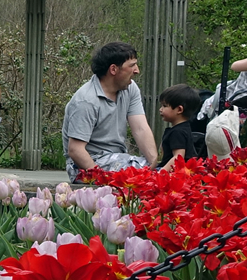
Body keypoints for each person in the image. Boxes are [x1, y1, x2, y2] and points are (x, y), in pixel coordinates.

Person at [62, 41, 157, 179]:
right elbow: (75, 150)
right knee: (138, 172)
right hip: (85, 165)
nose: (137, 70)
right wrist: (102, 180)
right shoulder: (86, 101)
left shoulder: (130, 88)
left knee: (163, 170)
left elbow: (140, 129)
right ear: (113, 69)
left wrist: (153, 164)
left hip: (117, 158)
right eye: (132, 66)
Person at [157, 85, 205, 170]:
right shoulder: (179, 129)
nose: (160, 109)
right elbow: (161, 156)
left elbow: (178, 157)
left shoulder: (178, 132)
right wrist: (150, 169)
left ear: (179, 109)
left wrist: (161, 172)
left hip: (174, 173)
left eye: (164, 106)